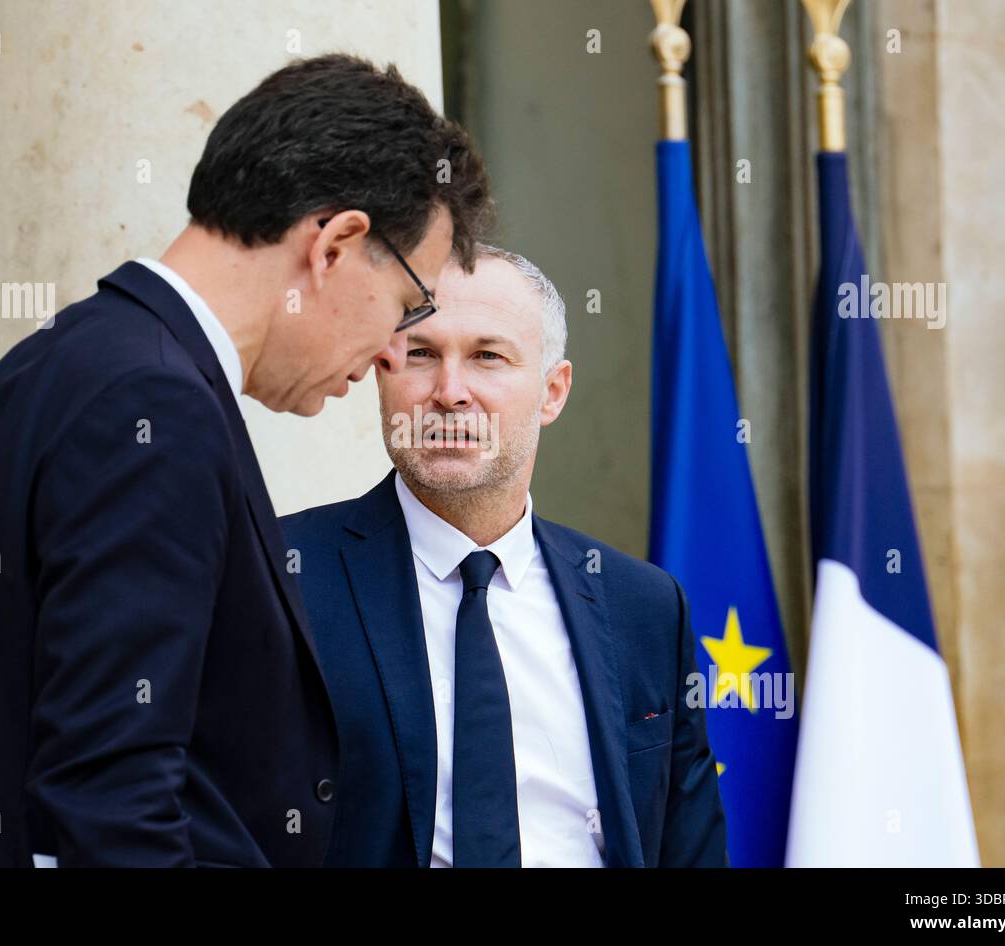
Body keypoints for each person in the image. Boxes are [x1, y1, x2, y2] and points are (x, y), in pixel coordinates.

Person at [0, 54, 493, 867]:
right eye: (410, 305)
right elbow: (111, 803)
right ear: (336, 244)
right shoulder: (154, 406)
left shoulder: (53, 365)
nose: (390, 356)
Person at [282, 246, 727, 867]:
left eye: (488, 356)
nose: (450, 392)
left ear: (552, 392)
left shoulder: (644, 606)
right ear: (380, 374)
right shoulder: (283, 576)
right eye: (421, 354)